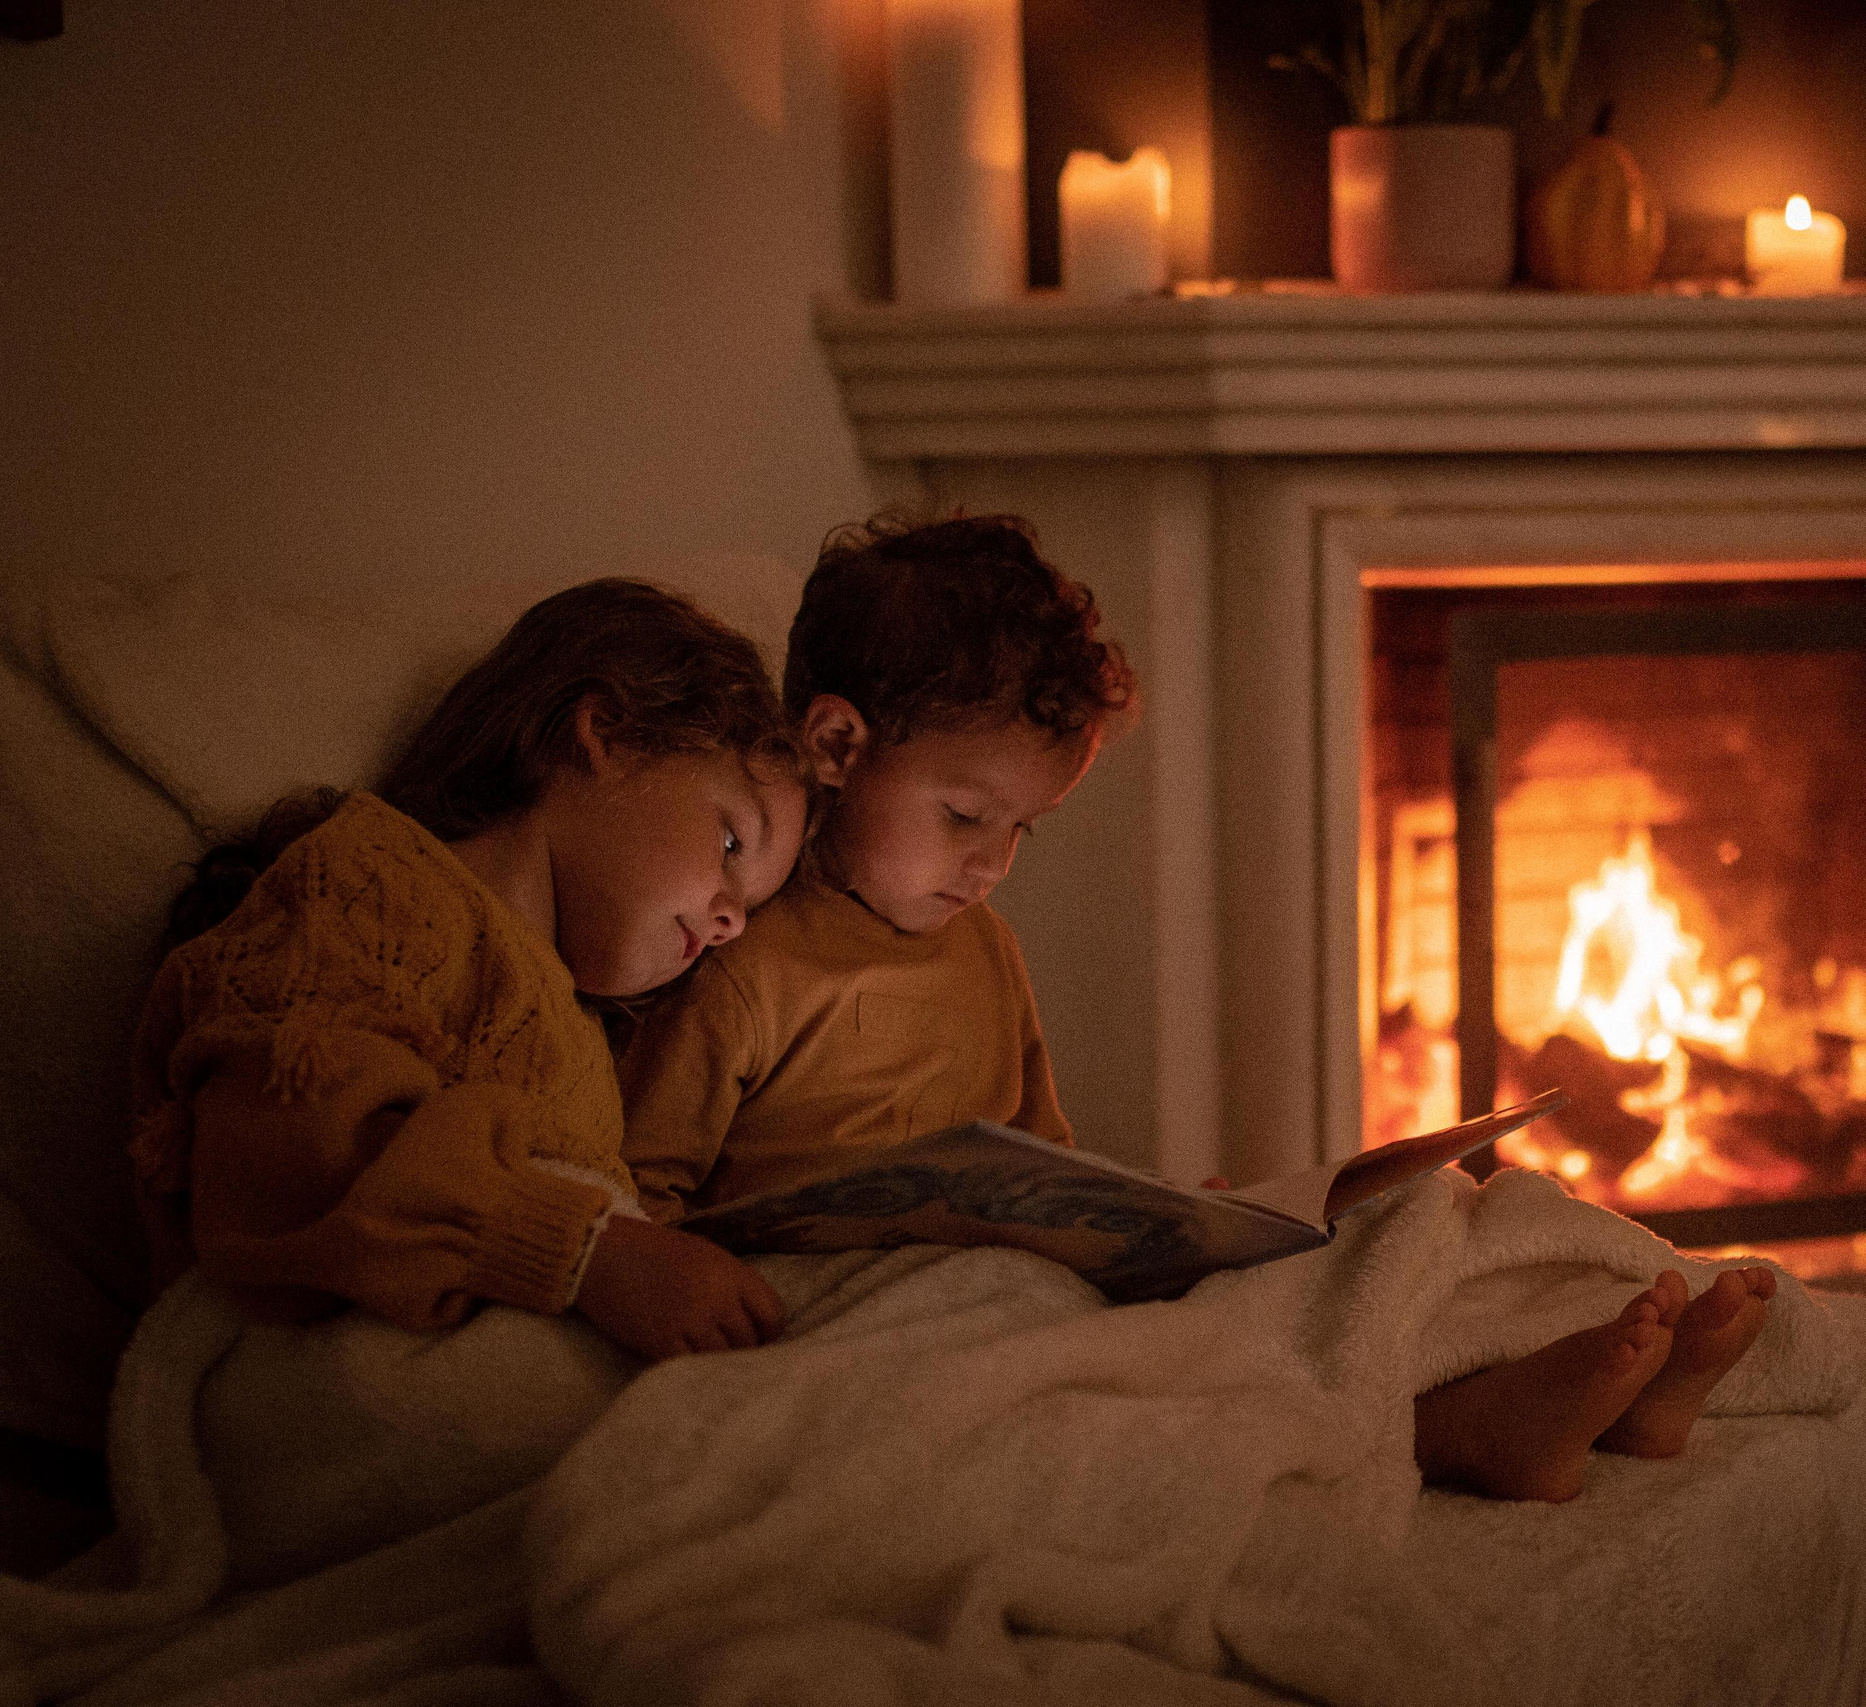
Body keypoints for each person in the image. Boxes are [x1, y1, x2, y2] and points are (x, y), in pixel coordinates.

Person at [618, 517, 1773, 1501]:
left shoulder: (986, 953)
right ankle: (1456, 1436)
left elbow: (1044, 1164)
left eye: (1024, 830)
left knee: (1403, 1226)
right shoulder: (739, 961)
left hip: (1018, 1285)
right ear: (835, 746)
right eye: (966, 817)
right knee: (1159, 1393)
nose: (992, 866)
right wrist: (662, 1272)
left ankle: (1543, 1360)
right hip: (871, 1324)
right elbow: (642, 1200)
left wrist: (1158, 1224)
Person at [132, 579, 809, 1365]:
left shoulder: (583, 1033)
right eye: (731, 844)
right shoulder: (370, 880)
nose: (731, 919)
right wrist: (587, 1251)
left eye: (750, 908)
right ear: (606, 734)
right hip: (307, 1371)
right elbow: (291, 1145)